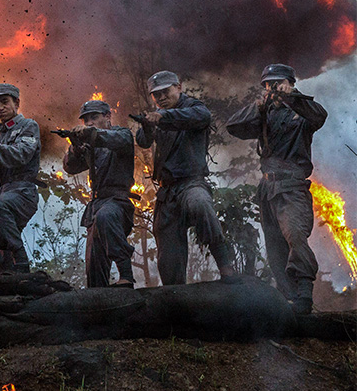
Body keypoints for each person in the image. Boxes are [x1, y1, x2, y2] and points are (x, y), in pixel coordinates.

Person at [226, 64, 328, 314]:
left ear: (291, 83)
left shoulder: (302, 113)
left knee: (294, 235)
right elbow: (233, 126)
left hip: (292, 185)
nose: (274, 88)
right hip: (267, 188)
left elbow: (320, 116)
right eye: (269, 85)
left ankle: (304, 294)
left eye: (278, 83)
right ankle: (289, 298)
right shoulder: (265, 114)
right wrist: (259, 106)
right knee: (274, 247)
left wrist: (292, 97)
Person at [135, 71, 237, 286]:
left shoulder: (194, 108)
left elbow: (202, 117)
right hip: (167, 191)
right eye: (156, 94)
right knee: (167, 252)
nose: (161, 98)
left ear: (178, 87)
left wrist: (163, 117)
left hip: (192, 182)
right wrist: (147, 125)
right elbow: (143, 141)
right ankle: (175, 294)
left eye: (165, 92)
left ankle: (225, 265)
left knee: (200, 204)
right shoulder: (157, 114)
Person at [61, 100, 136, 288]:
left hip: (118, 202)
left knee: (106, 216)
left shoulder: (122, 135)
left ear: (108, 116)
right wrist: (75, 148)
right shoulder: (91, 146)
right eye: (86, 120)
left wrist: (91, 135)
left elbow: (114, 140)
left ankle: (126, 275)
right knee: (94, 264)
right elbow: (70, 168)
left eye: (94, 117)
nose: (89, 122)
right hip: (96, 205)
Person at [0, 84, 40, 274]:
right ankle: (9, 285)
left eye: (4, 102)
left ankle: (21, 260)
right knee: (1, 254)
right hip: (3, 191)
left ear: (17, 103)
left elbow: (23, 153)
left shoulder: (28, 126)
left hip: (23, 192)